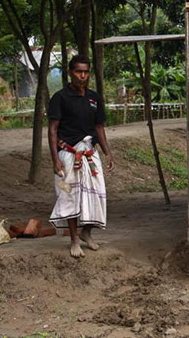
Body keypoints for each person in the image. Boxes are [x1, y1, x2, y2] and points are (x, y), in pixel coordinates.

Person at [48, 54, 114, 258]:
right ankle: (74, 239)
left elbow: (99, 126)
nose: (82, 76)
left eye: (85, 72)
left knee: (97, 193)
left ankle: (87, 233)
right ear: (70, 73)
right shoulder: (60, 97)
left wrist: (107, 152)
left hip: (90, 154)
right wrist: (55, 158)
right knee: (69, 195)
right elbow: (52, 130)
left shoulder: (94, 97)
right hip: (68, 154)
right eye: (78, 71)